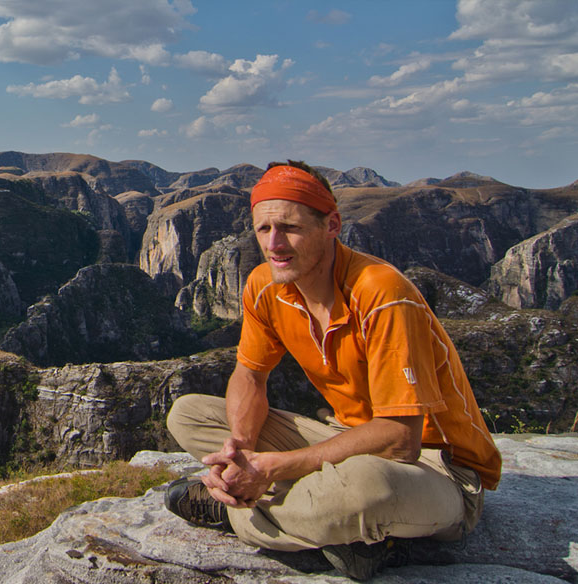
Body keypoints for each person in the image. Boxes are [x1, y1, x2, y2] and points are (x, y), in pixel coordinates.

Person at [164, 161, 502, 581]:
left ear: (332, 225)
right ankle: (331, 526)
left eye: (290, 227)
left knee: (364, 489)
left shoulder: (382, 293)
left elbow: (400, 441)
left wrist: (274, 469)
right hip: (346, 436)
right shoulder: (264, 286)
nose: (275, 244)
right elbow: (249, 376)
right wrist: (240, 451)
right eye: (263, 229)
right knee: (188, 413)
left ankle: (234, 512)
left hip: (435, 467)